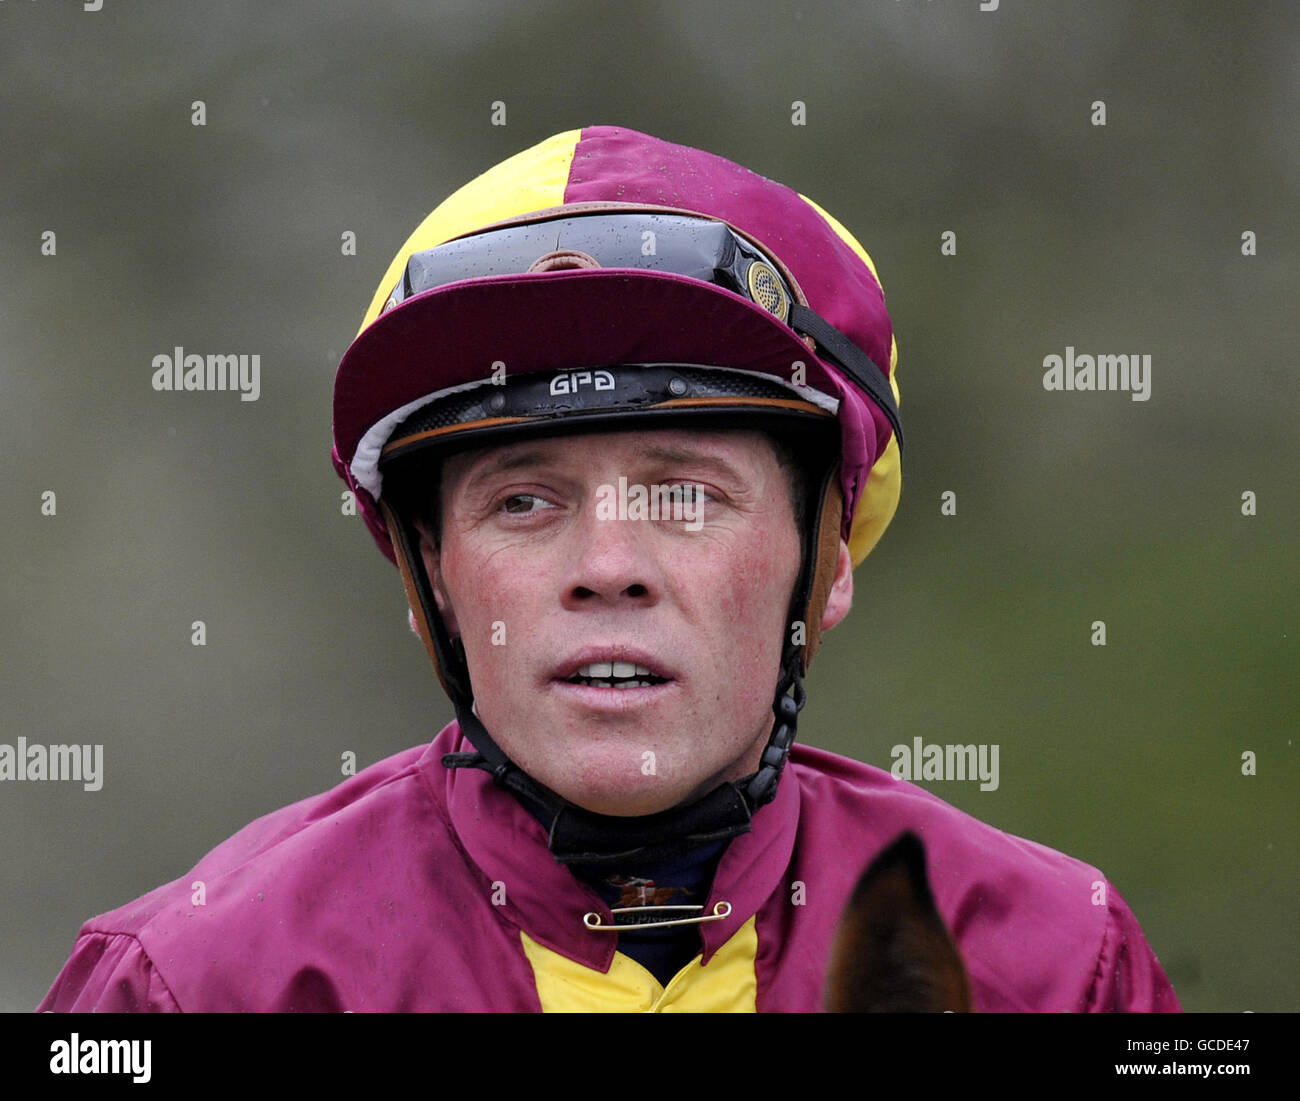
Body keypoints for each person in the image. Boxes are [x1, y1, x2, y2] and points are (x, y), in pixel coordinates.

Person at [38, 125, 1180, 1012]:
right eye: (524, 501)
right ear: (430, 580)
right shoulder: (184, 983)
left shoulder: (1059, 957)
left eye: (686, 493)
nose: (608, 567)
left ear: (826, 558)